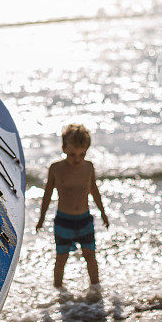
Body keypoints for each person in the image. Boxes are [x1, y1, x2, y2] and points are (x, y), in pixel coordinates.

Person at [35, 123, 109, 287]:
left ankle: (96, 290)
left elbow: (94, 190)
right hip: (63, 221)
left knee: (90, 255)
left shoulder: (88, 167)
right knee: (61, 258)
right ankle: (58, 291)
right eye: (72, 154)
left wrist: (103, 212)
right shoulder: (56, 169)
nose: (77, 159)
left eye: (81, 154)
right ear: (64, 148)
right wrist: (41, 218)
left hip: (85, 220)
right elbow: (47, 194)